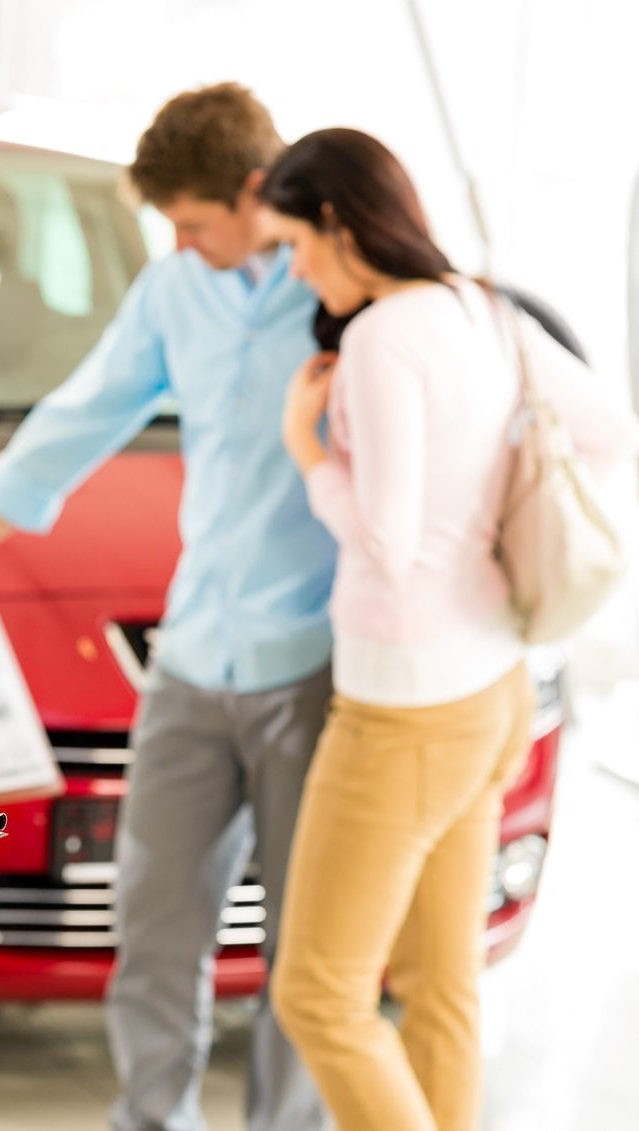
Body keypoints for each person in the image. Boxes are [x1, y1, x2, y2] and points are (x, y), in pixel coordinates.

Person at [0, 84, 333, 1131]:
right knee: (157, 925)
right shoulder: (177, 290)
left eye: (193, 222)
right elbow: (77, 417)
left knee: (306, 950)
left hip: (314, 666)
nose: (177, 242)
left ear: (259, 193)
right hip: (192, 662)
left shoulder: (335, 293)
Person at [259, 127, 639, 1131]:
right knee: (441, 982)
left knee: (318, 995)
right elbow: (607, 434)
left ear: (337, 223)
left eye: (295, 241)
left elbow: (383, 542)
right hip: (490, 686)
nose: (294, 267)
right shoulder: (480, 306)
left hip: (401, 711)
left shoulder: (383, 337)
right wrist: (486, 533)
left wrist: (306, 448)